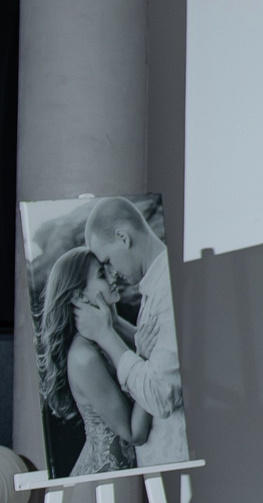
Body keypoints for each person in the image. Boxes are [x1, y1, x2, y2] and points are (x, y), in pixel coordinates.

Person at [74, 197, 187, 467]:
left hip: (176, 462)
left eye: (108, 261)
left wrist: (107, 336)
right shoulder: (155, 284)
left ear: (123, 238)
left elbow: (160, 396)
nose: (112, 274)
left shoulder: (168, 289)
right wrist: (114, 323)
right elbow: (163, 350)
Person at [36, 246, 139, 474]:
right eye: (102, 274)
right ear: (79, 296)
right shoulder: (84, 357)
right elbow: (130, 432)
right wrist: (152, 366)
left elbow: (151, 346)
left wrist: (114, 321)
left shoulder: (105, 332)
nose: (112, 277)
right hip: (106, 478)